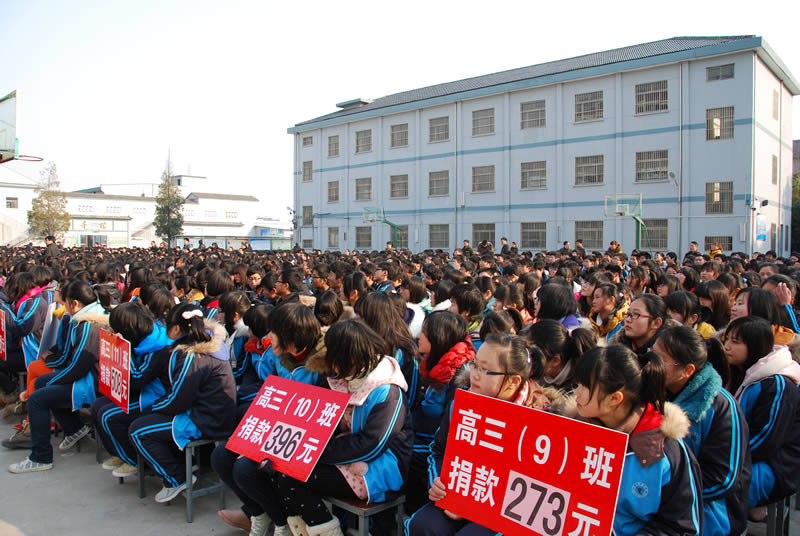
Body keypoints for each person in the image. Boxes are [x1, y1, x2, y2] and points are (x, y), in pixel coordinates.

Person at [232, 320, 413, 536]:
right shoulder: (341, 378)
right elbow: (318, 422)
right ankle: (307, 528)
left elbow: (373, 444)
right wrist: (291, 451)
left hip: (380, 466)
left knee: (291, 477)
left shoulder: (387, 389)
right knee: (279, 469)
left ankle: (325, 530)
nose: (331, 364)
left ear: (348, 357)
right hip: (343, 453)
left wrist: (313, 455)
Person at [406, 334, 566, 536]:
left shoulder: (540, 419)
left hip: (505, 513)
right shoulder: (462, 404)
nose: (474, 374)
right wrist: (438, 480)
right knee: (423, 525)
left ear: (513, 381)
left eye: (484, 370)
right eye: (474, 364)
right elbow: (438, 450)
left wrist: (475, 507)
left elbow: (535, 495)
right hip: (462, 494)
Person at [573, 345, 703, 535]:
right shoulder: (573, 430)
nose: (576, 392)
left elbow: (680, 527)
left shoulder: (662, 451)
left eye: (584, 386)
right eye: (577, 384)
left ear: (614, 399)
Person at [127, 303, 237, 502]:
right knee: (146, 420)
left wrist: (154, 408)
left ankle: (176, 478)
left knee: (138, 430)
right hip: (213, 413)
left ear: (176, 328)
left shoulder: (193, 355)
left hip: (205, 419)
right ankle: (182, 465)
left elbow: (178, 399)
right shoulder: (209, 342)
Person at [653, 326, 750, 536]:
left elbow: (723, 478)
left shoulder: (720, 407)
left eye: (660, 360)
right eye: (652, 355)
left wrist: (669, 493)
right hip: (660, 497)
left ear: (687, 371)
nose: (651, 364)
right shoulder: (652, 393)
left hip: (709, 510)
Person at [8, 282, 111, 473]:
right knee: (41, 383)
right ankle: (74, 428)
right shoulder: (85, 319)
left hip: (93, 383)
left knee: (37, 399)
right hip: (89, 377)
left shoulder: (88, 326)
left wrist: (55, 379)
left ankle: (41, 457)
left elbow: (78, 367)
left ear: (74, 304)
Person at [723, 317, 800, 519]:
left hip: (775, 466)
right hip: (742, 457)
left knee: (701, 490)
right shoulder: (739, 373)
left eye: (735, 342)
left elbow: (765, 442)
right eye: (726, 339)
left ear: (755, 346)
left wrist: (722, 457)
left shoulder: (778, 385)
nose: (727, 346)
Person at [91, 301, 174, 478]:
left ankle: (134, 460)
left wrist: (122, 347)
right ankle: (119, 453)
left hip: (157, 397)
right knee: (97, 405)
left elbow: (137, 379)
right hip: (143, 392)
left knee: (109, 415)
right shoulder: (143, 339)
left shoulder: (158, 347)